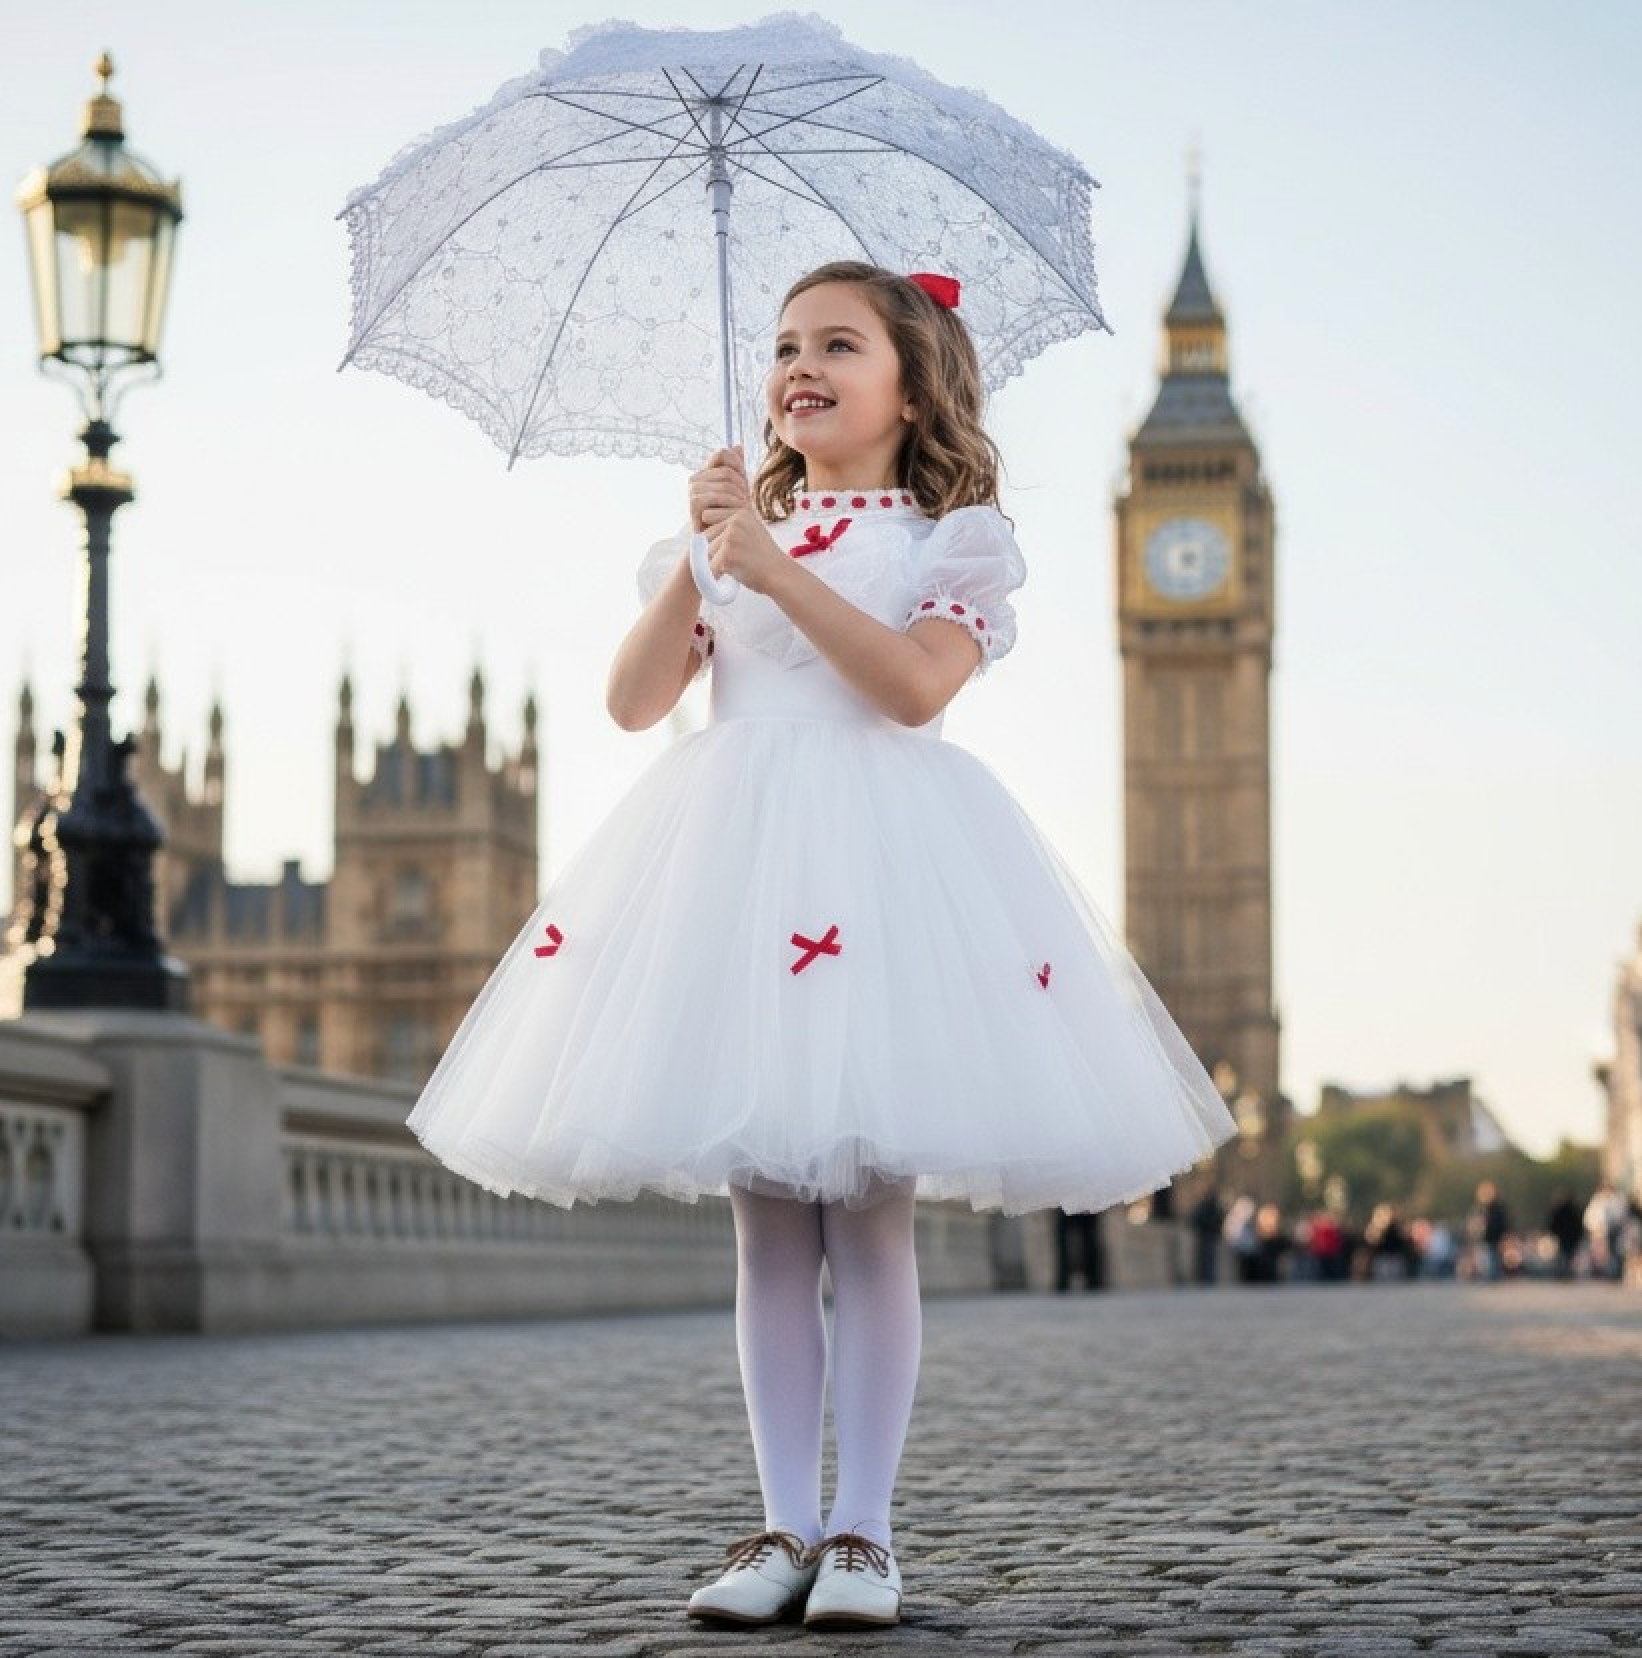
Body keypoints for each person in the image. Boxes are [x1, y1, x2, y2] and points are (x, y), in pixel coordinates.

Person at [405, 262, 1237, 1630]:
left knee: (871, 1223)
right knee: (767, 1234)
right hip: (736, 879)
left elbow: (912, 689)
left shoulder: (949, 541)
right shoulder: (729, 539)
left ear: (912, 388)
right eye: (786, 345)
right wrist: (698, 558)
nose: (801, 366)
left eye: (839, 345)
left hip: (885, 881)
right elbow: (633, 705)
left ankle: (866, 1530)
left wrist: (776, 571)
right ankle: (783, 1520)